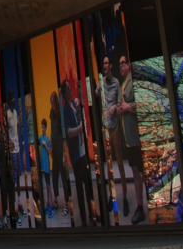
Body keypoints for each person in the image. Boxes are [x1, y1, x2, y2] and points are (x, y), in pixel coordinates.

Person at [97, 56, 129, 216]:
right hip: (105, 127)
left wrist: (114, 109)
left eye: (107, 63)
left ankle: (124, 196)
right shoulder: (101, 82)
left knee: (119, 162)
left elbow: (119, 103)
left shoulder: (116, 83)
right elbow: (96, 94)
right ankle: (111, 196)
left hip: (114, 125)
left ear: (110, 65)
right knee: (108, 164)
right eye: (103, 64)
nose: (105, 66)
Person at [61, 79, 94, 227]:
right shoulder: (65, 111)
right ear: (64, 93)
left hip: (82, 151)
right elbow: (68, 132)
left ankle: (91, 216)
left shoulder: (73, 106)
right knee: (80, 186)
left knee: (86, 184)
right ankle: (84, 218)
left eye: (70, 87)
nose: (70, 90)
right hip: (75, 154)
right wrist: (80, 129)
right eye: (68, 88)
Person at [118, 55, 146, 225]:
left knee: (139, 172)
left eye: (123, 63)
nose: (120, 67)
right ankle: (141, 207)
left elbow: (140, 104)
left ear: (129, 65)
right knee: (135, 171)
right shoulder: (123, 84)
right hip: (128, 137)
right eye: (119, 64)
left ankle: (142, 207)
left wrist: (128, 107)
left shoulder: (133, 81)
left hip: (136, 138)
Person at [49, 90, 70, 217]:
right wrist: (51, 146)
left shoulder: (60, 113)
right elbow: (51, 130)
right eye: (50, 102)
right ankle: (56, 200)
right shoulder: (52, 112)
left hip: (60, 147)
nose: (51, 104)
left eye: (53, 102)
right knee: (54, 174)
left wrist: (63, 154)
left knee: (63, 175)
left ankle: (67, 203)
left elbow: (63, 136)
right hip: (54, 145)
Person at [6, 91, 24, 226]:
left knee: (18, 178)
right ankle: (12, 210)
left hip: (17, 149)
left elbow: (17, 129)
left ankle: (19, 203)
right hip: (12, 151)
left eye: (14, 98)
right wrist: (9, 145)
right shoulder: (7, 114)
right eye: (12, 99)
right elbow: (7, 132)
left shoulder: (16, 113)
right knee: (12, 179)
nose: (13, 100)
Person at [38, 118, 54, 217]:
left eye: (43, 127)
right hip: (43, 164)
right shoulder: (40, 137)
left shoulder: (47, 139)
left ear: (46, 128)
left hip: (47, 164)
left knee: (49, 185)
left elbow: (50, 152)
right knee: (46, 185)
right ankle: (47, 204)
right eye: (41, 127)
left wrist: (46, 146)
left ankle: (51, 206)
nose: (42, 129)